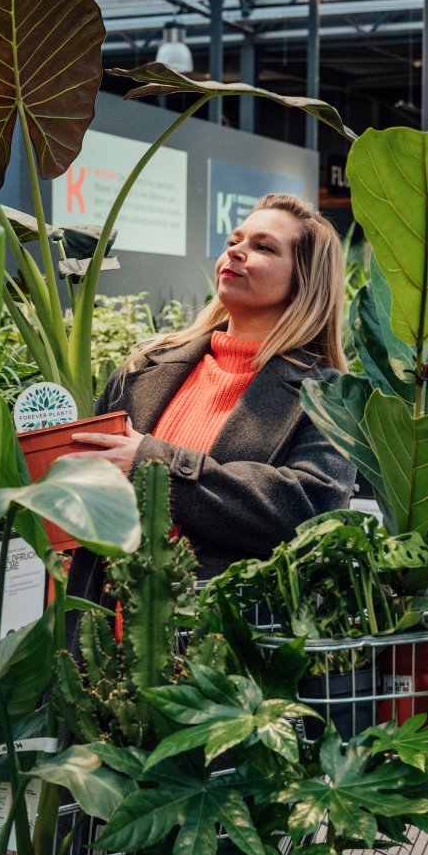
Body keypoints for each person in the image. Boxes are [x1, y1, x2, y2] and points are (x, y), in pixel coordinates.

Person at [65, 193, 356, 602]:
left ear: (304, 279)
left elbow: (311, 509)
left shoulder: (327, 396)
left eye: (263, 247)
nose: (236, 252)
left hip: (224, 644)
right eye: (233, 242)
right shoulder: (144, 368)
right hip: (104, 638)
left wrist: (152, 465)